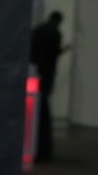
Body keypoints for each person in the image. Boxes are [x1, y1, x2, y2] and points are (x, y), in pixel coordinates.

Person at [30, 10, 68, 162]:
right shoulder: (55, 34)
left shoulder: (38, 30)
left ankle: (35, 147)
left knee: (35, 111)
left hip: (33, 74)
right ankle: (42, 149)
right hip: (45, 76)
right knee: (43, 111)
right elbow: (53, 53)